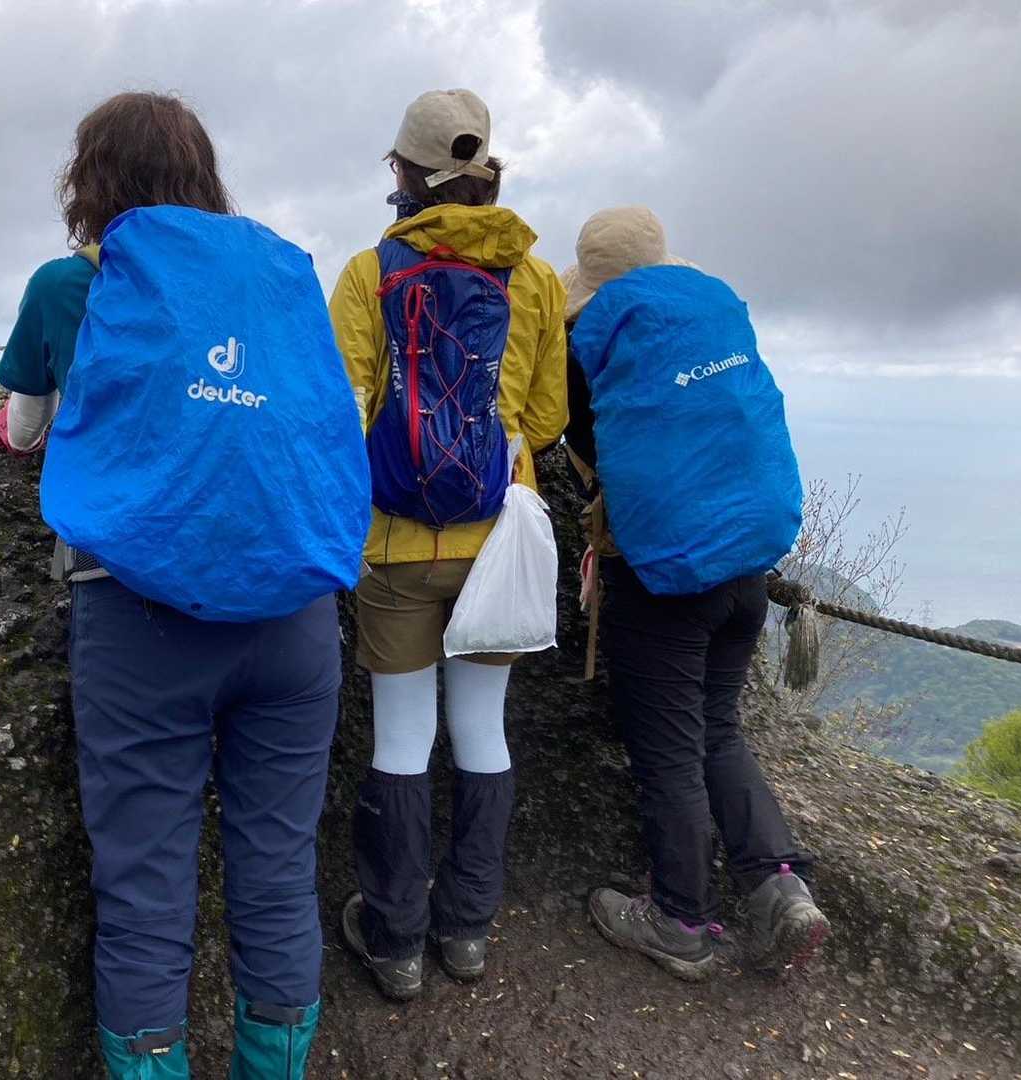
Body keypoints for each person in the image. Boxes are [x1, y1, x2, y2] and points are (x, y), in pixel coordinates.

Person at [0, 92, 368, 1079]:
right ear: (203, 177)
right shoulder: (280, 274)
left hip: (141, 624)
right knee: (278, 874)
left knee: (146, 889)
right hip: (294, 614)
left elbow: (23, 427)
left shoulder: (71, 284)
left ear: (90, 182)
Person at [329, 88, 568, 1001]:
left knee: (401, 736)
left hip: (395, 542)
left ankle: (395, 941)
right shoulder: (534, 277)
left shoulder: (369, 272)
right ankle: (466, 930)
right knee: (481, 727)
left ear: (404, 171)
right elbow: (545, 416)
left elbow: (345, 408)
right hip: (497, 542)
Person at [560, 206, 830, 982]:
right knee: (718, 728)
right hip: (746, 567)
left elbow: (579, 439)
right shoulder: (712, 316)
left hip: (666, 581)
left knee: (669, 752)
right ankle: (780, 887)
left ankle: (680, 919)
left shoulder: (593, 340)